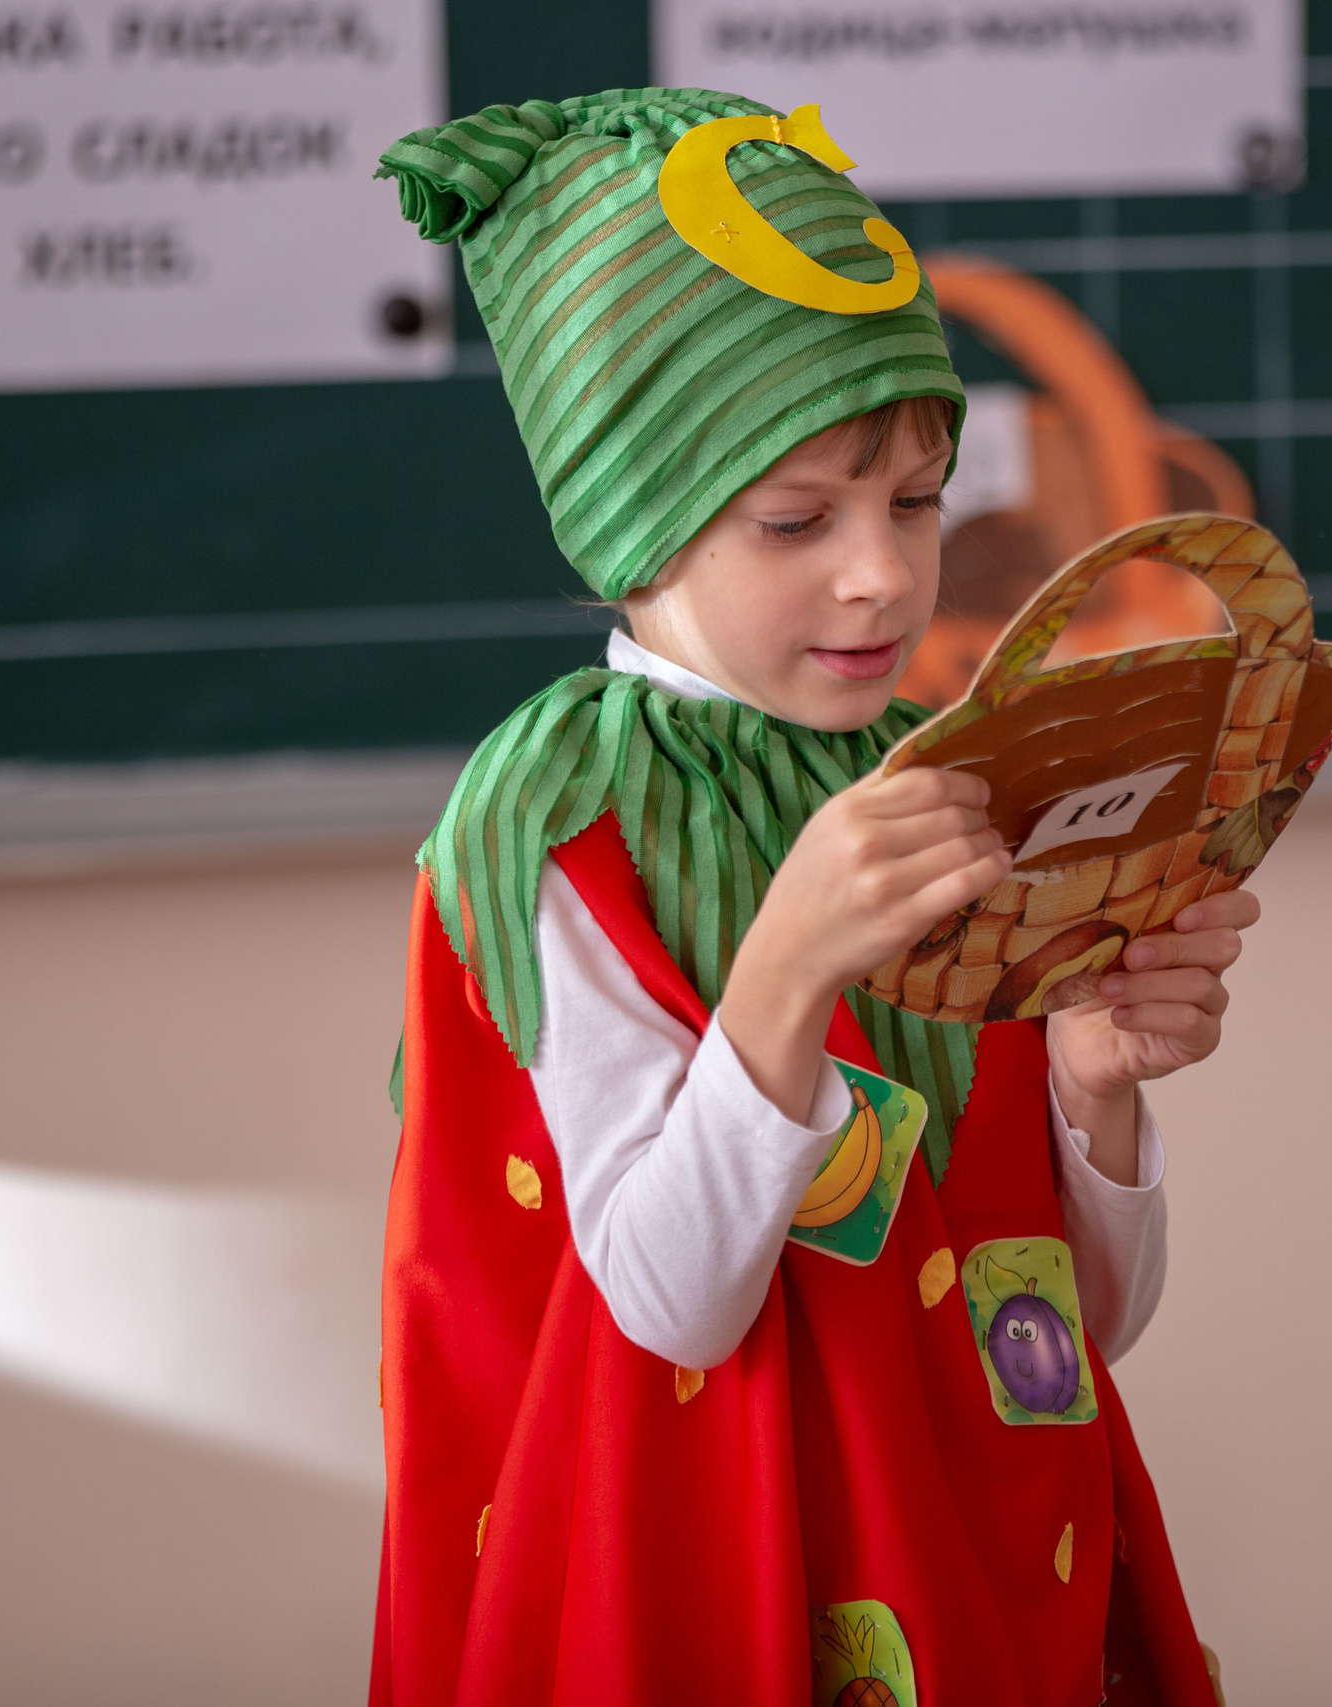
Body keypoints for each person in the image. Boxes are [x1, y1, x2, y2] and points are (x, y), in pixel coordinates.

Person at [370, 88, 1251, 1705]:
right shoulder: (561, 816)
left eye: (918, 501)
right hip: (728, 1584)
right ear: (636, 519)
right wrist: (781, 977)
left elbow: (1067, 1336)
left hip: (986, 1583)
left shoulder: (948, 766)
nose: (881, 573)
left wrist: (1090, 1091)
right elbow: (672, 1311)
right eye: (796, 519)